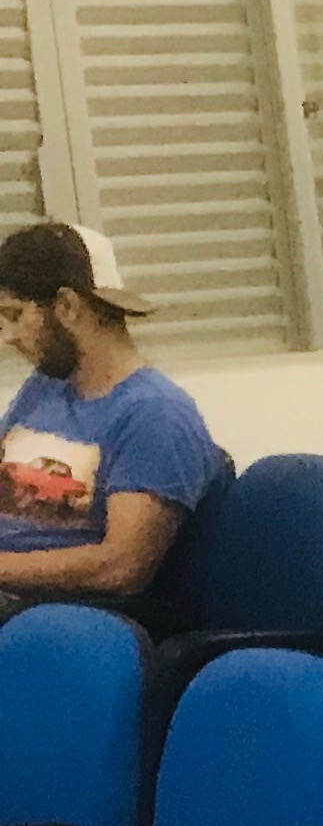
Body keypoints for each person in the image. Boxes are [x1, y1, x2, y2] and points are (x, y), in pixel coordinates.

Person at [0, 222, 224, 619]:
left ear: (67, 307)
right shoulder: (44, 389)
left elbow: (121, 567)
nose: (9, 336)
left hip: (66, 618)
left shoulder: (156, 414)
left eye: (15, 315)